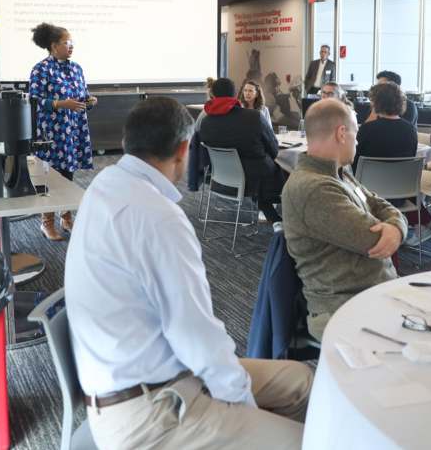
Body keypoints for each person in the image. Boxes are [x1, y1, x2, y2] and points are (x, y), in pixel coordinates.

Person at [65, 97, 312, 450]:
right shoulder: (157, 216)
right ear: (184, 149)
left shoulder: (104, 185)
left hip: (148, 378)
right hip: (150, 413)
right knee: (306, 441)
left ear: (125, 143)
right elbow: (194, 334)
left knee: (301, 381)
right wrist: (244, 408)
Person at [281, 99, 407, 340]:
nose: (357, 141)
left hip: (372, 294)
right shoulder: (312, 188)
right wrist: (392, 229)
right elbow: (373, 239)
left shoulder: (339, 174)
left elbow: (381, 204)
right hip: (344, 307)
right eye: (356, 134)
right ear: (341, 133)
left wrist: (397, 228)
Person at [29, 22, 96, 241]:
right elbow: (34, 100)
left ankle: (66, 217)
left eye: (72, 42)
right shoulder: (41, 69)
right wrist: (60, 104)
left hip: (73, 129)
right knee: (48, 175)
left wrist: (89, 101)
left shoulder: (76, 68)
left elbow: (81, 96)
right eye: (67, 42)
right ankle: (46, 221)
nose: (71, 46)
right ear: (53, 45)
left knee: (68, 174)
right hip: (52, 131)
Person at [198, 78, 284, 223]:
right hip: (255, 181)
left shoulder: (205, 122)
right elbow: (274, 149)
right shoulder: (254, 117)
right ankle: (278, 218)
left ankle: (274, 219)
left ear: (213, 94)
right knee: (281, 167)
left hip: (220, 181)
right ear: (235, 94)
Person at [353, 82, 417, 172]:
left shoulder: (367, 129)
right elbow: (411, 160)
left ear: (376, 103)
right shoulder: (411, 130)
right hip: (401, 183)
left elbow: (355, 162)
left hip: (367, 182)